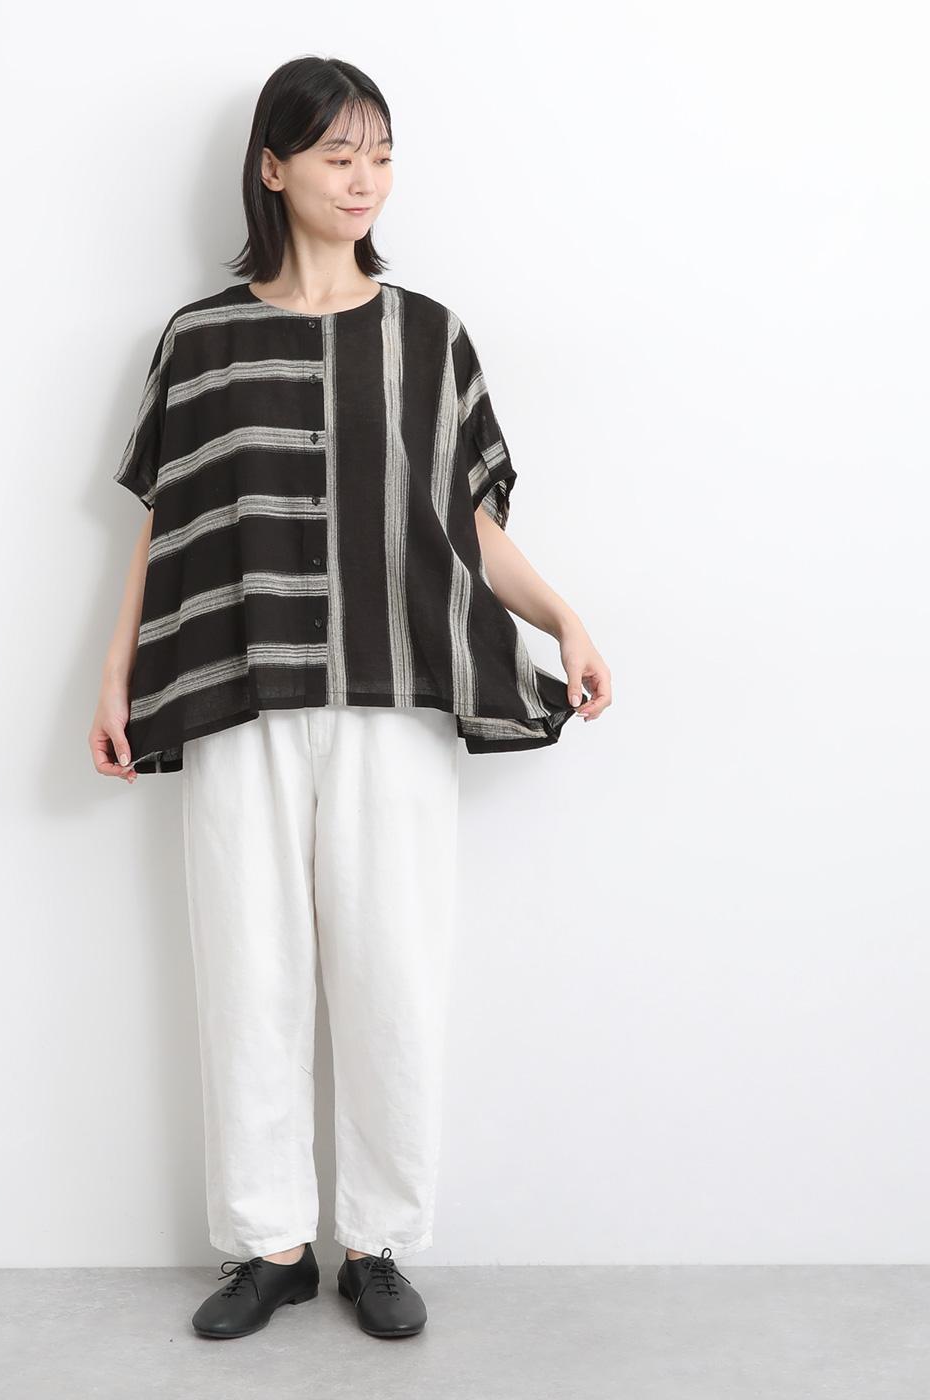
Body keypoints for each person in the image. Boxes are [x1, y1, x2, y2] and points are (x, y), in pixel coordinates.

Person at [90, 55, 612, 1341]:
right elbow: (166, 525)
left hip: (395, 697)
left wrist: (563, 616)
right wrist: (115, 677)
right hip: (242, 694)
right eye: (337, 153)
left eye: (380, 152)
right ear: (273, 168)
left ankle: (377, 1240)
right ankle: (267, 1244)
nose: (364, 176)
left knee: (393, 971)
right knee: (248, 969)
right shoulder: (199, 341)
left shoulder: (429, 335)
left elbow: (466, 522)